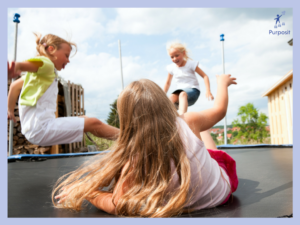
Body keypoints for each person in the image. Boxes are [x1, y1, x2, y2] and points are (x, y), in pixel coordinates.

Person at [53, 74, 238, 217]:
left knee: (209, 150)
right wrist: (222, 83)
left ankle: (194, 128)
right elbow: (220, 109)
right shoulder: (189, 121)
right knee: (206, 145)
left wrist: (88, 192)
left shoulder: (134, 159)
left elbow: (117, 205)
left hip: (190, 200)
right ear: (165, 105)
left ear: (127, 119)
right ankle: (190, 122)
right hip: (220, 192)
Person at [7, 33, 119, 146]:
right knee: (93, 123)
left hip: (35, 130)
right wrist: (18, 66)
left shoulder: (37, 76)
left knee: (84, 118)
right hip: (41, 129)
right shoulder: (47, 65)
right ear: (51, 49)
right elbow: (35, 64)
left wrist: (10, 110)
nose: (68, 60)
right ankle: (131, 138)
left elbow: (14, 86)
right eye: (66, 55)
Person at [164, 41, 214, 115]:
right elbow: (168, 83)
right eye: (172, 57)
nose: (174, 59)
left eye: (177, 55)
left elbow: (205, 76)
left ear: (183, 53)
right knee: (171, 97)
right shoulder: (171, 68)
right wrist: (162, 94)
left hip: (193, 91)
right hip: (180, 93)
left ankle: (182, 119)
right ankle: (169, 119)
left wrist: (208, 90)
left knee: (182, 94)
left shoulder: (190, 64)